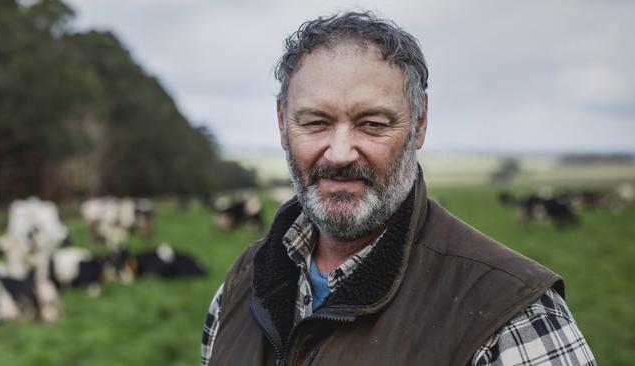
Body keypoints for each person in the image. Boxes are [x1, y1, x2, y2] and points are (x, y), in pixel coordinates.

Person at [201, 11, 595, 366]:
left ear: (419, 124)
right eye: (316, 122)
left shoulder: (511, 316)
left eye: (372, 123)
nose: (339, 154)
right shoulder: (238, 288)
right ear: (283, 123)